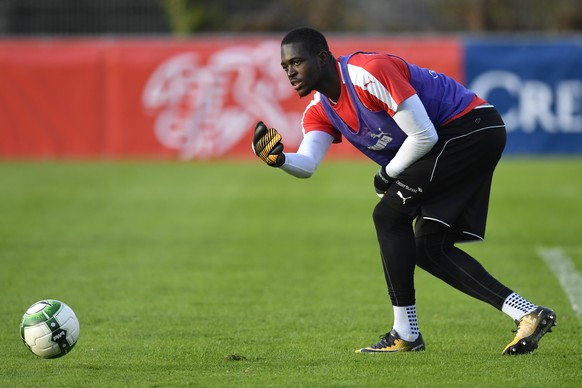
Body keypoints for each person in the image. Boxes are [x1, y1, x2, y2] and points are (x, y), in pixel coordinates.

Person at [251, 27, 556, 355]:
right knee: (428, 249)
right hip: (449, 142)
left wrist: (387, 174)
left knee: (388, 217)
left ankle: (405, 334)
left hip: (471, 129)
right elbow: (308, 163)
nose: (290, 72)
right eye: (285, 66)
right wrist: (280, 160)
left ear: (322, 58)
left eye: (297, 61)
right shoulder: (319, 109)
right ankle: (527, 312)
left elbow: (424, 135)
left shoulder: (367, 73)